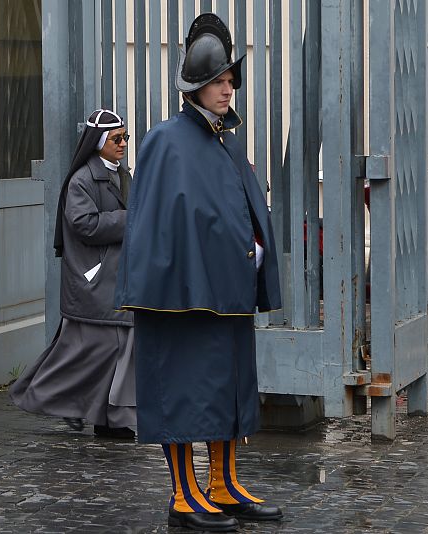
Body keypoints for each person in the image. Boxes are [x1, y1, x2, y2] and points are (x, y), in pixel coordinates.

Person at [114, 14, 284, 532]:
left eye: (231, 81)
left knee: (228, 390)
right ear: (195, 87)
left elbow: (239, 209)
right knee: (186, 393)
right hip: (181, 301)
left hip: (227, 295)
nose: (227, 89)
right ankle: (185, 495)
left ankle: (223, 483)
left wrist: (253, 250)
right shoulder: (166, 141)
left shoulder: (227, 142)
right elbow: (155, 225)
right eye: (217, 81)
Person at [10, 109, 136, 439]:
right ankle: (48, 399)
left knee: (112, 353)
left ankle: (109, 419)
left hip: (114, 279)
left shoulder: (122, 175)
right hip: (93, 279)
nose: (123, 144)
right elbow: (85, 224)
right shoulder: (81, 180)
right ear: (97, 143)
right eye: (116, 139)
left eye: (125, 137)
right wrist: (129, 219)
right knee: (87, 355)